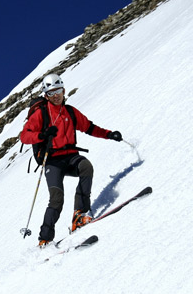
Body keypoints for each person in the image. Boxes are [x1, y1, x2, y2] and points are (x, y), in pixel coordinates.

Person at [20, 73, 124, 246]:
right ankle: (44, 239)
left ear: (64, 90)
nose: (56, 95)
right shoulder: (41, 113)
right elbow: (25, 136)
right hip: (52, 160)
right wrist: (42, 135)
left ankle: (79, 216)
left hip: (70, 156)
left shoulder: (70, 112)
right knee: (56, 198)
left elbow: (89, 127)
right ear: (46, 95)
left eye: (59, 90)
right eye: (52, 92)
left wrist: (109, 134)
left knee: (86, 167)